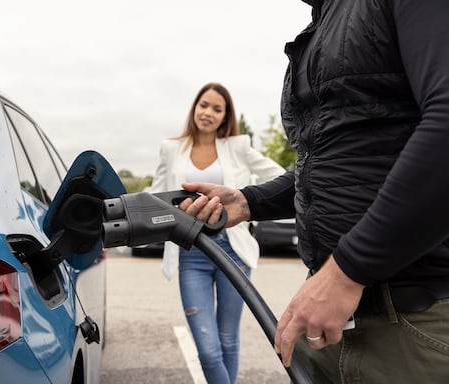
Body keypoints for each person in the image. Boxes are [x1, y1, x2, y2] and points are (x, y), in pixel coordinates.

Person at [178, 1, 449, 383]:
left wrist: (347, 271)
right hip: (334, 320)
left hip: (413, 322)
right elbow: (337, 166)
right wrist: (250, 201)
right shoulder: (325, 20)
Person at [146, 82, 285, 384]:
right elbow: (154, 195)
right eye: (204, 105)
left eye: (217, 109)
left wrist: (247, 202)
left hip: (233, 250)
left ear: (225, 117)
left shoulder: (238, 147)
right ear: (195, 107)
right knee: (208, 350)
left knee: (227, 341)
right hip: (190, 251)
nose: (208, 112)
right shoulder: (172, 149)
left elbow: (279, 177)